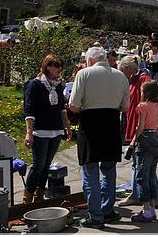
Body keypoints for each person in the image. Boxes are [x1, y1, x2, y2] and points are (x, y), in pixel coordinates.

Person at [68, 47, 130, 229]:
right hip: (111, 125)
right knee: (109, 170)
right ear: (104, 59)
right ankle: (107, 210)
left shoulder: (84, 74)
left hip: (91, 127)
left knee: (90, 171)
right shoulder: (120, 76)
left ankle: (95, 216)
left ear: (89, 61)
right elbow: (125, 108)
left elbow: (74, 105)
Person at [22, 55, 71, 203]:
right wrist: (29, 133)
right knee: (38, 165)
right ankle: (27, 197)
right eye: (56, 66)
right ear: (47, 67)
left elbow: (61, 108)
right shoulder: (35, 85)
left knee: (46, 166)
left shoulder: (58, 85)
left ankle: (39, 196)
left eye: (60, 66)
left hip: (55, 130)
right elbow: (29, 110)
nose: (59, 69)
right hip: (40, 130)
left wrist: (67, 126)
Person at [118, 56, 158, 208]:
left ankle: (152, 200)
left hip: (143, 132)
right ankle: (137, 195)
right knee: (139, 166)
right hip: (138, 126)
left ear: (127, 68)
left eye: (123, 70)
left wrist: (135, 139)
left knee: (144, 168)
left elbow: (152, 100)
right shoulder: (132, 80)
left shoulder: (144, 79)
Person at [129, 80, 158, 223]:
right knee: (151, 174)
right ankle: (152, 209)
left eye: (141, 91)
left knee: (141, 175)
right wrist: (155, 122)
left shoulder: (142, 107)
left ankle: (146, 210)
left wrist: (134, 140)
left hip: (145, 139)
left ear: (145, 93)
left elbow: (140, 127)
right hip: (155, 137)